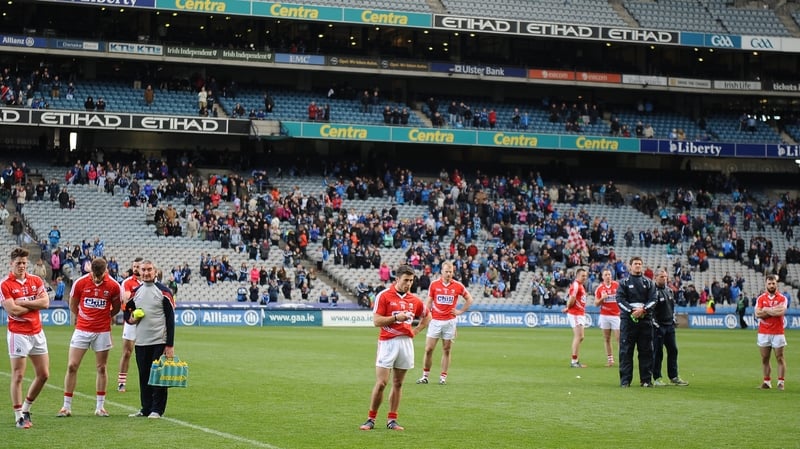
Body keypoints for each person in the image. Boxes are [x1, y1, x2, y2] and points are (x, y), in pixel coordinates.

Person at [359, 265, 430, 431]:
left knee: (398, 383)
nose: (408, 284)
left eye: (411, 280)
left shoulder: (414, 300)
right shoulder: (384, 296)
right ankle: (371, 419)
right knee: (382, 383)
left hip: (405, 343)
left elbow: (428, 316)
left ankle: (392, 420)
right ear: (397, 279)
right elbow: (376, 321)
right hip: (387, 342)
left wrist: (416, 330)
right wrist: (396, 317)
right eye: (406, 280)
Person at [57, 258, 121, 417]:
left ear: (106, 271)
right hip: (82, 330)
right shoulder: (80, 283)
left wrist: (105, 317)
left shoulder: (113, 285)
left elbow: (117, 308)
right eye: (95, 275)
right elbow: (73, 303)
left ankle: (100, 407)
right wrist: (81, 317)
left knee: (101, 367)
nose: (97, 278)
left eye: (100, 275)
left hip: (102, 331)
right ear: (90, 270)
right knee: (72, 365)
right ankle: (66, 407)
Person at [1, 247, 50, 429]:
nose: (22, 266)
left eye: (24, 263)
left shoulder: (35, 280)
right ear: (11, 263)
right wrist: (33, 305)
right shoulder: (5, 284)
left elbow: (45, 303)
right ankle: (18, 416)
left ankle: (26, 407)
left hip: (37, 332)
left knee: (44, 374)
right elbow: (12, 310)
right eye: (18, 263)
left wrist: (24, 302)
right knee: (19, 375)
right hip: (18, 333)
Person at [124, 260, 175, 418]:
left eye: (149, 270)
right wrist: (131, 318)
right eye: (143, 270)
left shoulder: (164, 292)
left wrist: (170, 345)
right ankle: (145, 408)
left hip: (159, 341)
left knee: (158, 376)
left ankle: (157, 409)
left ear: (155, 271)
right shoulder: (136, 291)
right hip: (141, 341)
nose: (146, 273)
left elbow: (170, 319)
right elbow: (127, 312)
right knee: (143, 375)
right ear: (139, 271)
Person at [416, 261, 474, 385]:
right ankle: (425, 376)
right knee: (428, 349)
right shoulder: (434, 285)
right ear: (441, 271)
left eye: (451, 272)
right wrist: (425, 315)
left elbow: (469, 299)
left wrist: (460, 311)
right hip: (435, 320)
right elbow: (429, 301)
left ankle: (443, 377)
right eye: (446, 271)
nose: (448, 274)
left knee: (446, 350)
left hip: (450, 322)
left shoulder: (458, 286)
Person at [616, 256, 657, 387]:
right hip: (628, 321)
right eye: (635, 264)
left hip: (645, 321)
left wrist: (643, 310)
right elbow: (620, 300)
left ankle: (645, 380)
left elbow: (653, 300)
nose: (638, 266)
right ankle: (625, 381)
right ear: (630, 266)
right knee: (626, 351)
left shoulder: (649, 282)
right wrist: (632, 310)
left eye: (640, 264)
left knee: (646, 351)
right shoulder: (624, 282)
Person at [652, 268, 688, 387]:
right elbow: (650, 311)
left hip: (669, 326)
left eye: (666, 276)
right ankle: (657, 378)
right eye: (662, 277)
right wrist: (656, 325)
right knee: (658, 353)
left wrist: (673, 319)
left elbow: (672, 308)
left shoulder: (669, 291)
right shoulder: (653, 292)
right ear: (655, 277)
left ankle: (674, 376)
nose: (664, 279)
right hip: (658, 327)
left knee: (673, 350)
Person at [755, 274, 787, 390]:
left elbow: (781, 312)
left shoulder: (782, 298)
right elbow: (757, 314)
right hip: (763, 332)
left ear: (776, 284)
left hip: (778, 332)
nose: (772, 285)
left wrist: (767, 310)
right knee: (765, 358)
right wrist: (773, 310)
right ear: (766, 284)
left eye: (773, 283)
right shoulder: (761, 298)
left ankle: (781, 382)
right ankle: (767, 382)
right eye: (769, 283)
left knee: (779, 357)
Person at [116, 257, 143, 393]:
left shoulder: (151, 282)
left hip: (147, 322)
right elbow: (126, 299)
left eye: (138, 266)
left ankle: (148, 382)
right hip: (131, 320)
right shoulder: (127, 282)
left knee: (147, 353)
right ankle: (121, 382)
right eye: (134, 266)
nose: (136, 269)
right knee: (127, 352)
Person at [594, 268, 620, 367]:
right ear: (602, 276)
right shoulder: (600, 288)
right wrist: (602, 298)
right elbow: (596, 303)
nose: (608, 276)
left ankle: (623, 359)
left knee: (619, 338)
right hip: (605, 316)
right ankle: (610, 360)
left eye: (609, 274)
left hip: (616, 315)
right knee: (607, 338)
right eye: (606, 275)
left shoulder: (617, 286)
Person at [563, 268, 589, 368]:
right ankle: (574, 361)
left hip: (579, 313)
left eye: (585, 276)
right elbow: (572, 298)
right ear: (577, 276)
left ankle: (575, 360)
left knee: (580, 336)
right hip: (575, 313)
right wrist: (568, 308)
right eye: (583, 276)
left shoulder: (580, 285)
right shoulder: (576, 285)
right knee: (578, 336)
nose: (584, 278)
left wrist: (567, 308)